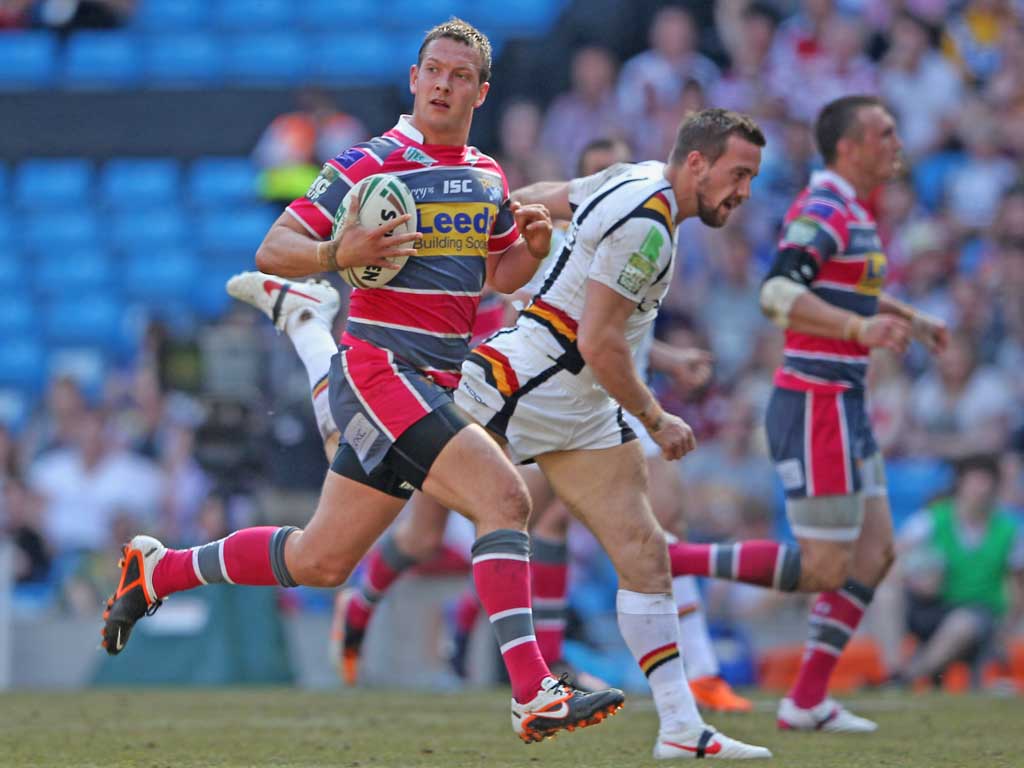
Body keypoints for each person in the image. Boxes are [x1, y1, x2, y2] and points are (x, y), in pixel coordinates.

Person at [100, 19, 625, 744]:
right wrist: (335, 253)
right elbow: (274, 246)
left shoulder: (488, 176)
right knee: (505, 497)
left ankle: (158, 571)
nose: (442, 85)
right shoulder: (368, 162)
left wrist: (531, 251)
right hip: (382, 370)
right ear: (414, 79)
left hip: (432, 382)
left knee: (321, 559)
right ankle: (535, 691)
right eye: (433, 71)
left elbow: (500, 275)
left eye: (459, 76)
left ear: (481, 91)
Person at [456, 108, 771, 759]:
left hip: (582, 407)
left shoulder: (633, 176)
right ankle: (312, 332)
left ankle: (680, 727)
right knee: (338, 542)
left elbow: (541, 197)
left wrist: (501, 232)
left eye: (750, 178)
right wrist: (658, 418)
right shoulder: (649, 226)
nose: (743, 192)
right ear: (696, 163)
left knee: (645, 550)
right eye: (738, 174)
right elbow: (599, 341)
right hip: (529, 385)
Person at [667, 95, 949, 732]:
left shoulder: (852, 210)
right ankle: (674, 561)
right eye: (885, 132)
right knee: (825, 567)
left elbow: (850, 289)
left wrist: (909, 318)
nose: (897, 143)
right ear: (849, 147)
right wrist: (858, 328)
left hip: (844, 403)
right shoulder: (823, 208)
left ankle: (806, 700)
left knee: (875, 554)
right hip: (816, 402)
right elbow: (778, 291)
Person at [895, 454, 1024, 687]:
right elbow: (894, 558)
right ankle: (893, 668)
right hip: (932, 606)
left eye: (986, 484)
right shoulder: (932, 519)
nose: (980, 491)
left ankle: (906, 678)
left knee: (963, 622)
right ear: (960, 484)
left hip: (979, 613)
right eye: (975, 483)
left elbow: (1018, 588)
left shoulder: (1008, 530)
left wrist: (1006, 630)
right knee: (885, 595)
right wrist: (913, 579)